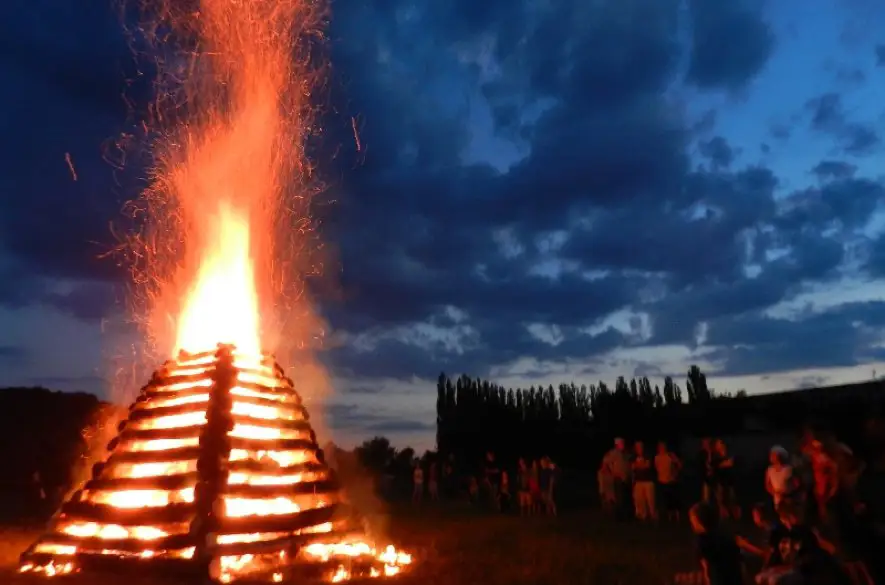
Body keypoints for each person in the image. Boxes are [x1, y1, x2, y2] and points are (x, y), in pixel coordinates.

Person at [690, 501, 744, 585]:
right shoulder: (723, 533)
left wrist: (708, 578)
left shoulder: (703, 540)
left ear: (698, 520)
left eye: (692, 520)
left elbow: (706, 565)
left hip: (720, 578)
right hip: (734, 577)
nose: (692, 523)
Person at [602, 438, 631, 518]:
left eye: (623, 443)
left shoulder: (625, 453)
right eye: (621, 443)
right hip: (618, 478)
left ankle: (626, 514)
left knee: (625, 498)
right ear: (617, 444)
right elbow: (605, 465)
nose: (623, 445)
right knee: (619, 498)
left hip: (626, 479)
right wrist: (612, 474)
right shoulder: (613, 453)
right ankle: (619, 516)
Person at [655, 441, 683, 521]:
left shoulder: (670, 456)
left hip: (671, 481)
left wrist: (676, 470)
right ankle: (669, 516)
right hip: (662, 481)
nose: (662, 448)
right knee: (666, 500)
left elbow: (679, 466)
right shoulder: (657, 457)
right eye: (660, 447)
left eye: (663, 446)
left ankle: (677, 516)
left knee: (674, 499)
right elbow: (657, 469)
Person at [712, 439, 739, 520]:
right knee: (721, 500)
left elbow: (731, 463)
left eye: (722, 443)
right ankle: (723, 516)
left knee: (732, 498)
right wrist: (724, 464)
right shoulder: (715, 456)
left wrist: (724, 464)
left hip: (730, 480)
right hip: (720, 481)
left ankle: (734, 515)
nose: (722, 445)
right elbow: (716, 466)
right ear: (716, 446)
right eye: (719, 444)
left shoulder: (728, 454)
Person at [632, 441, 657, 521]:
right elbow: (632, 467)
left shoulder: (648, 455)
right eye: (637, 447)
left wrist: (638, 465)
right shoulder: (634, 456)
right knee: (639, 499)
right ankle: (642, 516)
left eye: (640, 446)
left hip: (648, 481)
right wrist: (641, 465)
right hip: (638, 481)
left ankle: (653, 516)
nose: (638, 448)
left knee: (650, 500)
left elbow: (647, 466)